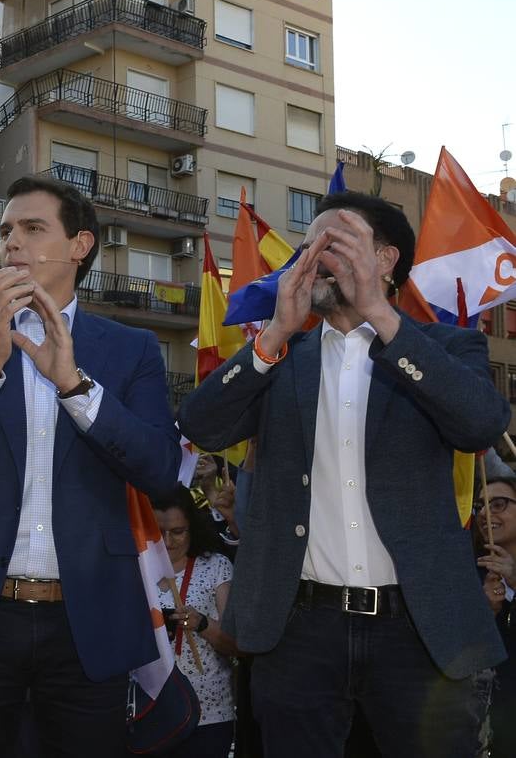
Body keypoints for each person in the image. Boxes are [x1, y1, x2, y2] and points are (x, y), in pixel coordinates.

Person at [178, 191, 508, 757]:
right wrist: (274, 335)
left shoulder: (446, 347)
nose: (313, 258)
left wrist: (382, 316)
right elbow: (201, 426)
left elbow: (479, 424)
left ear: (385, 259)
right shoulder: (283, 356)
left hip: (419, 630)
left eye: (333, 244)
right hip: (300, 630)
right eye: (307, 247)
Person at [0, 175, 181, 756]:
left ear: (80, 246)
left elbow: (158, 471)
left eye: (32, 229)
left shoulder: (131, 350)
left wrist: (76, 387)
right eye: (6, 232)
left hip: (89, 618)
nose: (12, 243)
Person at [152, 487, 237, 758]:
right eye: (158, 532)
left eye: (178, 531)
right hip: (148, 709)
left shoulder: (216, 566)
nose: (167, 542)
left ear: (193, 527)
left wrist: (201, 623)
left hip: (207, 712)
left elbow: (236, 643)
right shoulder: (135, 568)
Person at [477, 475, 516, 757]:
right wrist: (484, 613)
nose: (485, 514)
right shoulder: (467, 574)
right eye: (479, 506)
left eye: (499, 504)